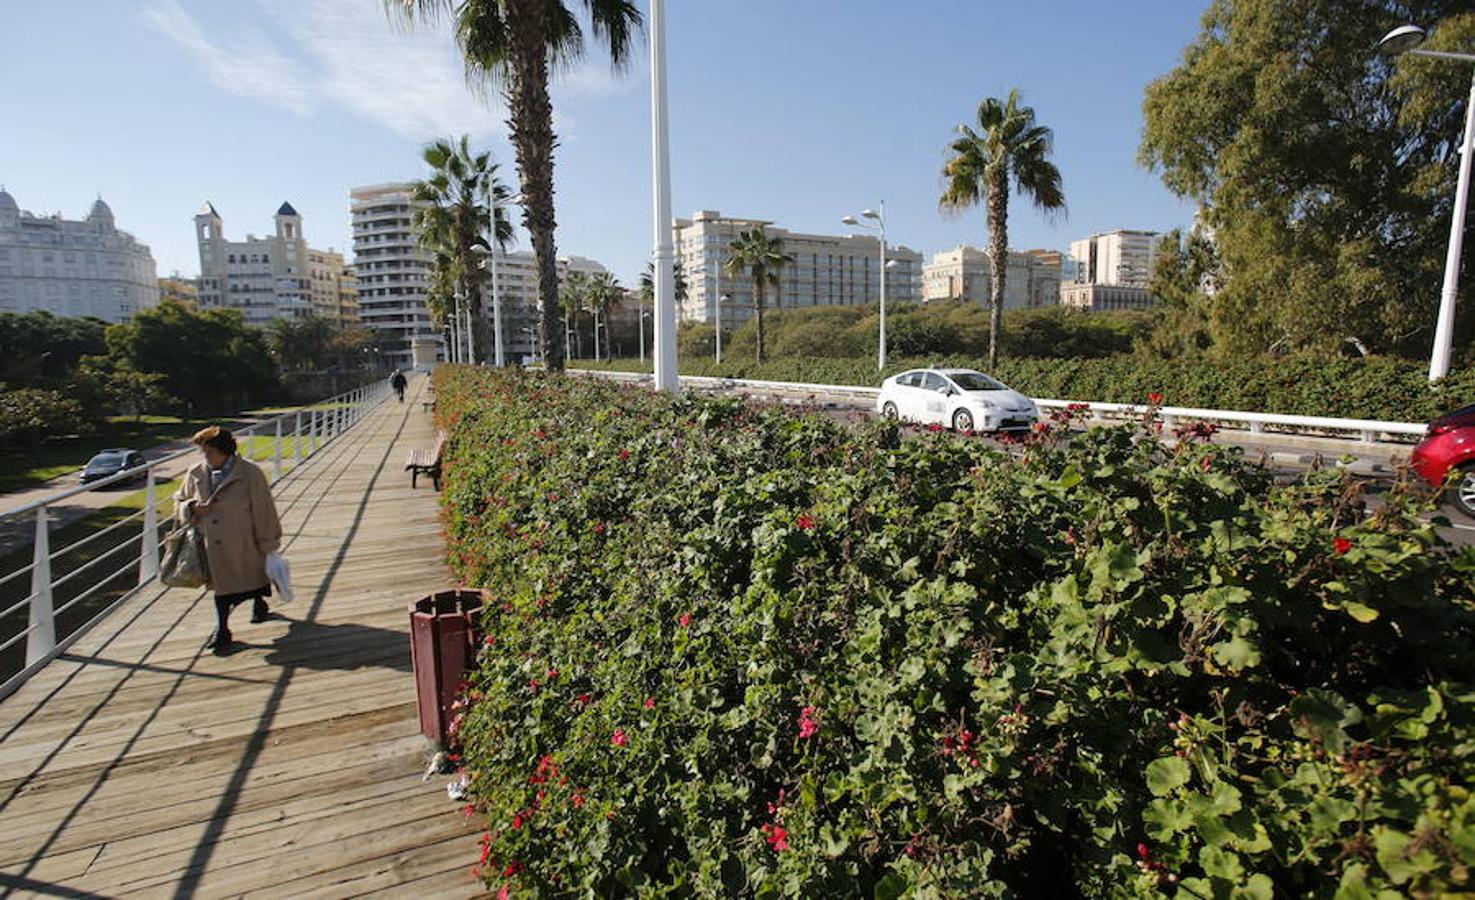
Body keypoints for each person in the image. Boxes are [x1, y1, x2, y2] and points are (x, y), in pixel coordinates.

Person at [175, 426, 283, 654]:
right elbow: (180, 500)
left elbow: (264, 509)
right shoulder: (196, 473)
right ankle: (222, 630)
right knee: (222, 589)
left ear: (224, 451)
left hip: (244, 542)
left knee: (253, 580)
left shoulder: (250, 473)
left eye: (209, 451)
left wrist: (269, 542)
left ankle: (259, 602)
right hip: (211, 545)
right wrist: (192, 507)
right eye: (203, 451)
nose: (205, 456)